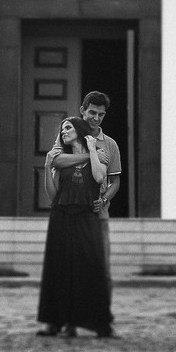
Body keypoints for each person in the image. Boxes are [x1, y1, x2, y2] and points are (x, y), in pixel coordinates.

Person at [36, 117, 114, 338]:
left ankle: (99, 323)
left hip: (87, 216)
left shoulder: (98, 155)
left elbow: (99, 177)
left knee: (91, 266)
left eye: (68, 127)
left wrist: (92, 149)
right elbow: (53, 195)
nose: (63, 132)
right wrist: (47, 167)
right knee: (59, 269)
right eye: (62, 129)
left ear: (79, 130)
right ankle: (57, 322)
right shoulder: (61, 159)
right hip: (61, 216)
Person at [51, 91, 121, 286]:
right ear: (82, 110)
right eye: (92, 113)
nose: (96, 118)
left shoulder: (110, 145)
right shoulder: (67, 135)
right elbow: (55, 160)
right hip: (69, 211)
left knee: (100, 267)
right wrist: (91, 155)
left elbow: (115, 182)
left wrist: (104, 200)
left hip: (97, 214)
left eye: (101, 114)